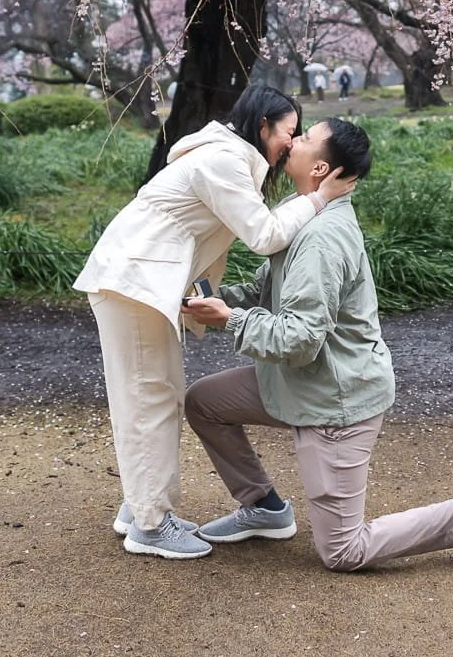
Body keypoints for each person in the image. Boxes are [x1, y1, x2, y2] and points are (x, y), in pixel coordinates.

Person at [183, 119, 453, 571]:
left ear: (319, 167)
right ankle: (264, 507)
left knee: (342, 551)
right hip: (298, 384)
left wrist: (230, 319)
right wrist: (210, 299)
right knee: (204, 403)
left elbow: (299, 340)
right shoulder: (303, 212)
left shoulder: (321, 238)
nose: (292, 140)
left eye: (305, 137)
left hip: (337, 401)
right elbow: (266, 289)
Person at [73, 85, 358, 560]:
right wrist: (320, 197)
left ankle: (140, 505)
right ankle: (150, 524)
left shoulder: (228, 156)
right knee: (150, 397)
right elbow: (264, 235)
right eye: (289, 132)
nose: (292, 142)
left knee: (152, 394)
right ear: (262, 125)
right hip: (136, 280)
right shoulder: (224, 160)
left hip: (139, 280)